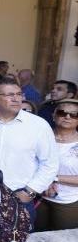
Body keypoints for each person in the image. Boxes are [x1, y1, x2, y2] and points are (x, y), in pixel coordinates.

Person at [0, 77, 58, 226]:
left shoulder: (38, 125)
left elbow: (50, 164)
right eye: (9, 95)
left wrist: (29, 192)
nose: (16, 99)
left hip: (19, 196)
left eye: (19, 94)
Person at [36, 99, 78, 231]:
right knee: (33, 238)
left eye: (74, 114)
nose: (67, 117)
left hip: (68, 202)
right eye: (62, 112)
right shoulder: (40, 137)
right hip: (37, 197)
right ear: (54, 116)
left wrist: (53, 177)